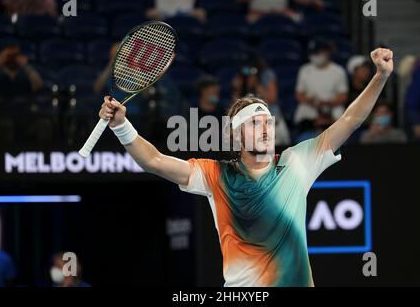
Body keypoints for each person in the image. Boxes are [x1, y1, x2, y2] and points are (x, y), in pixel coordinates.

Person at [98, 48, 393, 286]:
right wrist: (122, 125)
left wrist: (380, 76)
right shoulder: (216, 175)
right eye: (254, 123)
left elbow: (350, 121)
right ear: (235, 135)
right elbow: (154, 161)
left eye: (268, 122)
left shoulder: (296, 162)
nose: (265, 129)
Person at [293, 39, 349, 134]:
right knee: (302, 113)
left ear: (327, 52)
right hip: (311, 105)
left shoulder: (338, 71)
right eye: (313, 53)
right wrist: (309, 101)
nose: (315, 55)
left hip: (332, 105)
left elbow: (343, 95)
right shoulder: (305, 70)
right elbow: (299, 94)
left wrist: (328, 103)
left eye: (318, 52)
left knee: (341, 115)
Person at [232, 58, 291, 146]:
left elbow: (272, 99)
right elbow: (236, 107)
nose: (251, 76)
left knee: (283, 150)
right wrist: (238, 88)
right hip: (255, 127)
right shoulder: (242, 82)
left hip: (274, 122)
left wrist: (256, 85)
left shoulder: (265, 75)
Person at [236, 0, 325, 23]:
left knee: (299, 19)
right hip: (257, 14)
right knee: (247, 21)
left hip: (281, 12)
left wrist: (312, 0)